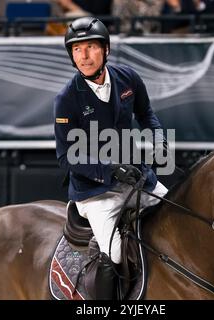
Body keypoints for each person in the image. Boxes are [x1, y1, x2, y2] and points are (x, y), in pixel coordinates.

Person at [54, 17, 169, 300]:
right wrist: (111, 170)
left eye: (91, 47)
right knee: (113, 251)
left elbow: (147, 115)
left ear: (105, 50)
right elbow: (67, 156)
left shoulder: (128, 78)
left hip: (137, 177)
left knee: (174, 214)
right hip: (95, 191)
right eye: (77, 50)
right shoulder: (67, 99)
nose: (84, 56)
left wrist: (159, 139)